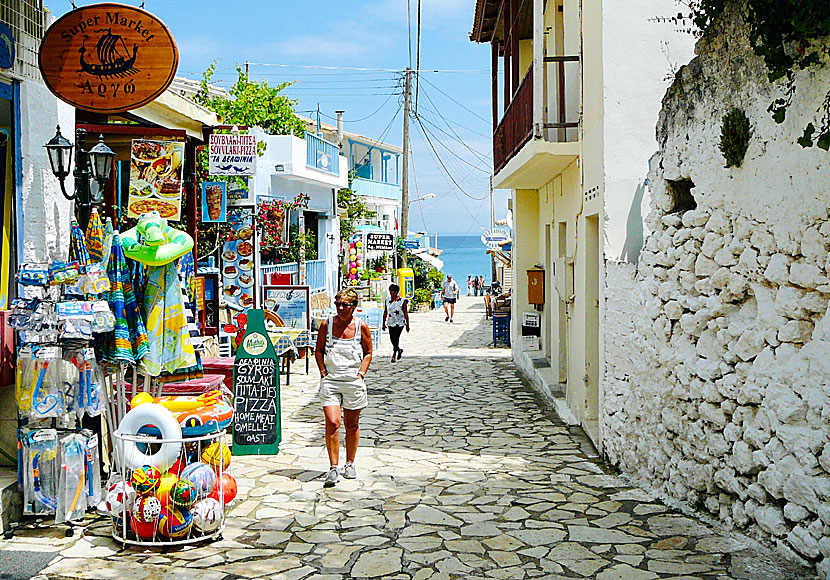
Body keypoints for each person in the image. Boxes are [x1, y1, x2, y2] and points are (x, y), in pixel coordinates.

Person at [315, 288, 373, 488]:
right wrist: (323, 371)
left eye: (345, 305)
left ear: (354, 307)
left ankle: (350, 462)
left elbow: (368, 352)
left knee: (352, 424)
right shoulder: (327, 324)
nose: (340, 308)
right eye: (337, 304)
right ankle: (333, 467)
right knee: (332, 422)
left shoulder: (361, 327)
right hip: (331, 380)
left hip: (353, 382)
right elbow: (319, 350)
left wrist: (361, 374)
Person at [382, 283, 410, 362]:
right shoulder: (387, 300)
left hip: (400, 322)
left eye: (393, 291)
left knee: (396, 338)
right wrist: (383, 323)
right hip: (391, 322)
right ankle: (399, 349)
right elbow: (385, 312)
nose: (391, 293)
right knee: (392, 338)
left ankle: (394, 354)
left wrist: (407, 324)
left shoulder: (402, 301)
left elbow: (405, 313)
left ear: (396, 292)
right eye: (390, 291)